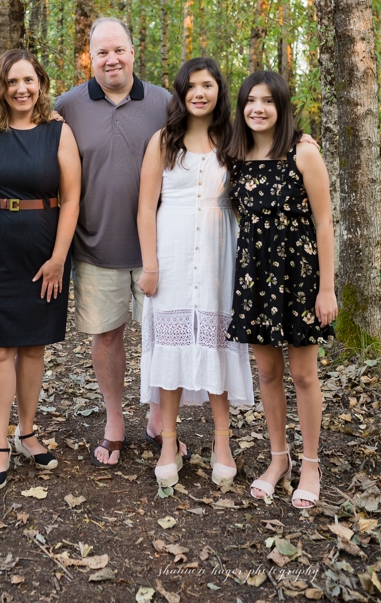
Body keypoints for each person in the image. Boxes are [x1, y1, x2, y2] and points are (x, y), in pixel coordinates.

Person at [53, 18, 176, 466]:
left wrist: (291, 140)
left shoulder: (165, 103)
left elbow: (210, 137)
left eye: (119, 50)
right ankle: (114, 420)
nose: (112, 60)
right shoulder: (67, 106)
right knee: (107, 336)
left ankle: (160, 418)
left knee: (161, 336)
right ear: (90, 58)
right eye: (102, 52)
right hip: (95, 246)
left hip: (157, 248)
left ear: (132, 51)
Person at [0, 49, 81, 490]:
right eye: (12, 81)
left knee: (33, 348)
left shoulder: (58, 131)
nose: (21, 89)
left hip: (42, 252)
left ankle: (27, 432)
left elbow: (72, 198)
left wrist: (58, 258)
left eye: (28, 80)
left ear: (40, 83)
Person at [137, 57, 255, 488]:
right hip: (170, 253)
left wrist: (303, 141)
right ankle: (168, 444)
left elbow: (275, 151)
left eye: (208, 85)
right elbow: (145, 207)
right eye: (192, 86)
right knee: (171, 350)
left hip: (219, 257)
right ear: (181, 92)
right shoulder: (163, 141)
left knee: (216, 344)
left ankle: (222, 444)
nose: (200, 93)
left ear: (219, 90)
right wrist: (150, 265)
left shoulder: (234, 140)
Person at [226, 70, 336, 510]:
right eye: (251, 101)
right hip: (255, 277)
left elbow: (324, 222)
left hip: (300, 275)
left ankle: (311, 463)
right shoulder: (235, 156)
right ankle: (279, 459)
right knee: (268, 373)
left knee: (304, 374)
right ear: (241, 108)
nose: (258, 108)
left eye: (268, 101)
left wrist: (327, 289)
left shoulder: (303, 152)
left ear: (282, 106)